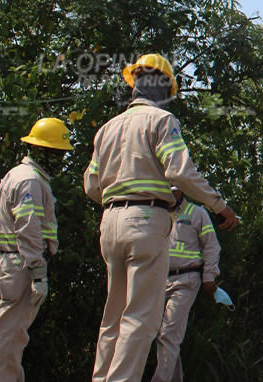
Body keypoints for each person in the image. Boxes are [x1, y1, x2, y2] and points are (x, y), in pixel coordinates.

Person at [85, 53, 239, 382]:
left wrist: (118, 199)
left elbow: (91, 185)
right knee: (140, 318)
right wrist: (219, 205)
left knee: (113, 317)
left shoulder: (106, 130)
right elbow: (180, 174)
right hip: (145, 222)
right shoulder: (161, 121)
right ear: (160, 88)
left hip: (109, 223)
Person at [0, 117, 73, 382]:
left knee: (10, 341)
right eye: (56, 153)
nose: (60, 160)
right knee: (8, 345)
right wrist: (37, 273)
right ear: (40, 150)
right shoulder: (30, 181)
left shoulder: (15, 175)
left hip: (10, 264)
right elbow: (28, 229)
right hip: (22, 266)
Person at [151, 187, 221, 382]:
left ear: (182, 190)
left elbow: (212, 246)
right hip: (158, 280)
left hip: (186, 281)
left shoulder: (198, 214)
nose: (169, 194)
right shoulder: (157, 212)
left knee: (168, 333)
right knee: (161, 335)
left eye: (173, 191)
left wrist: (209, 276)